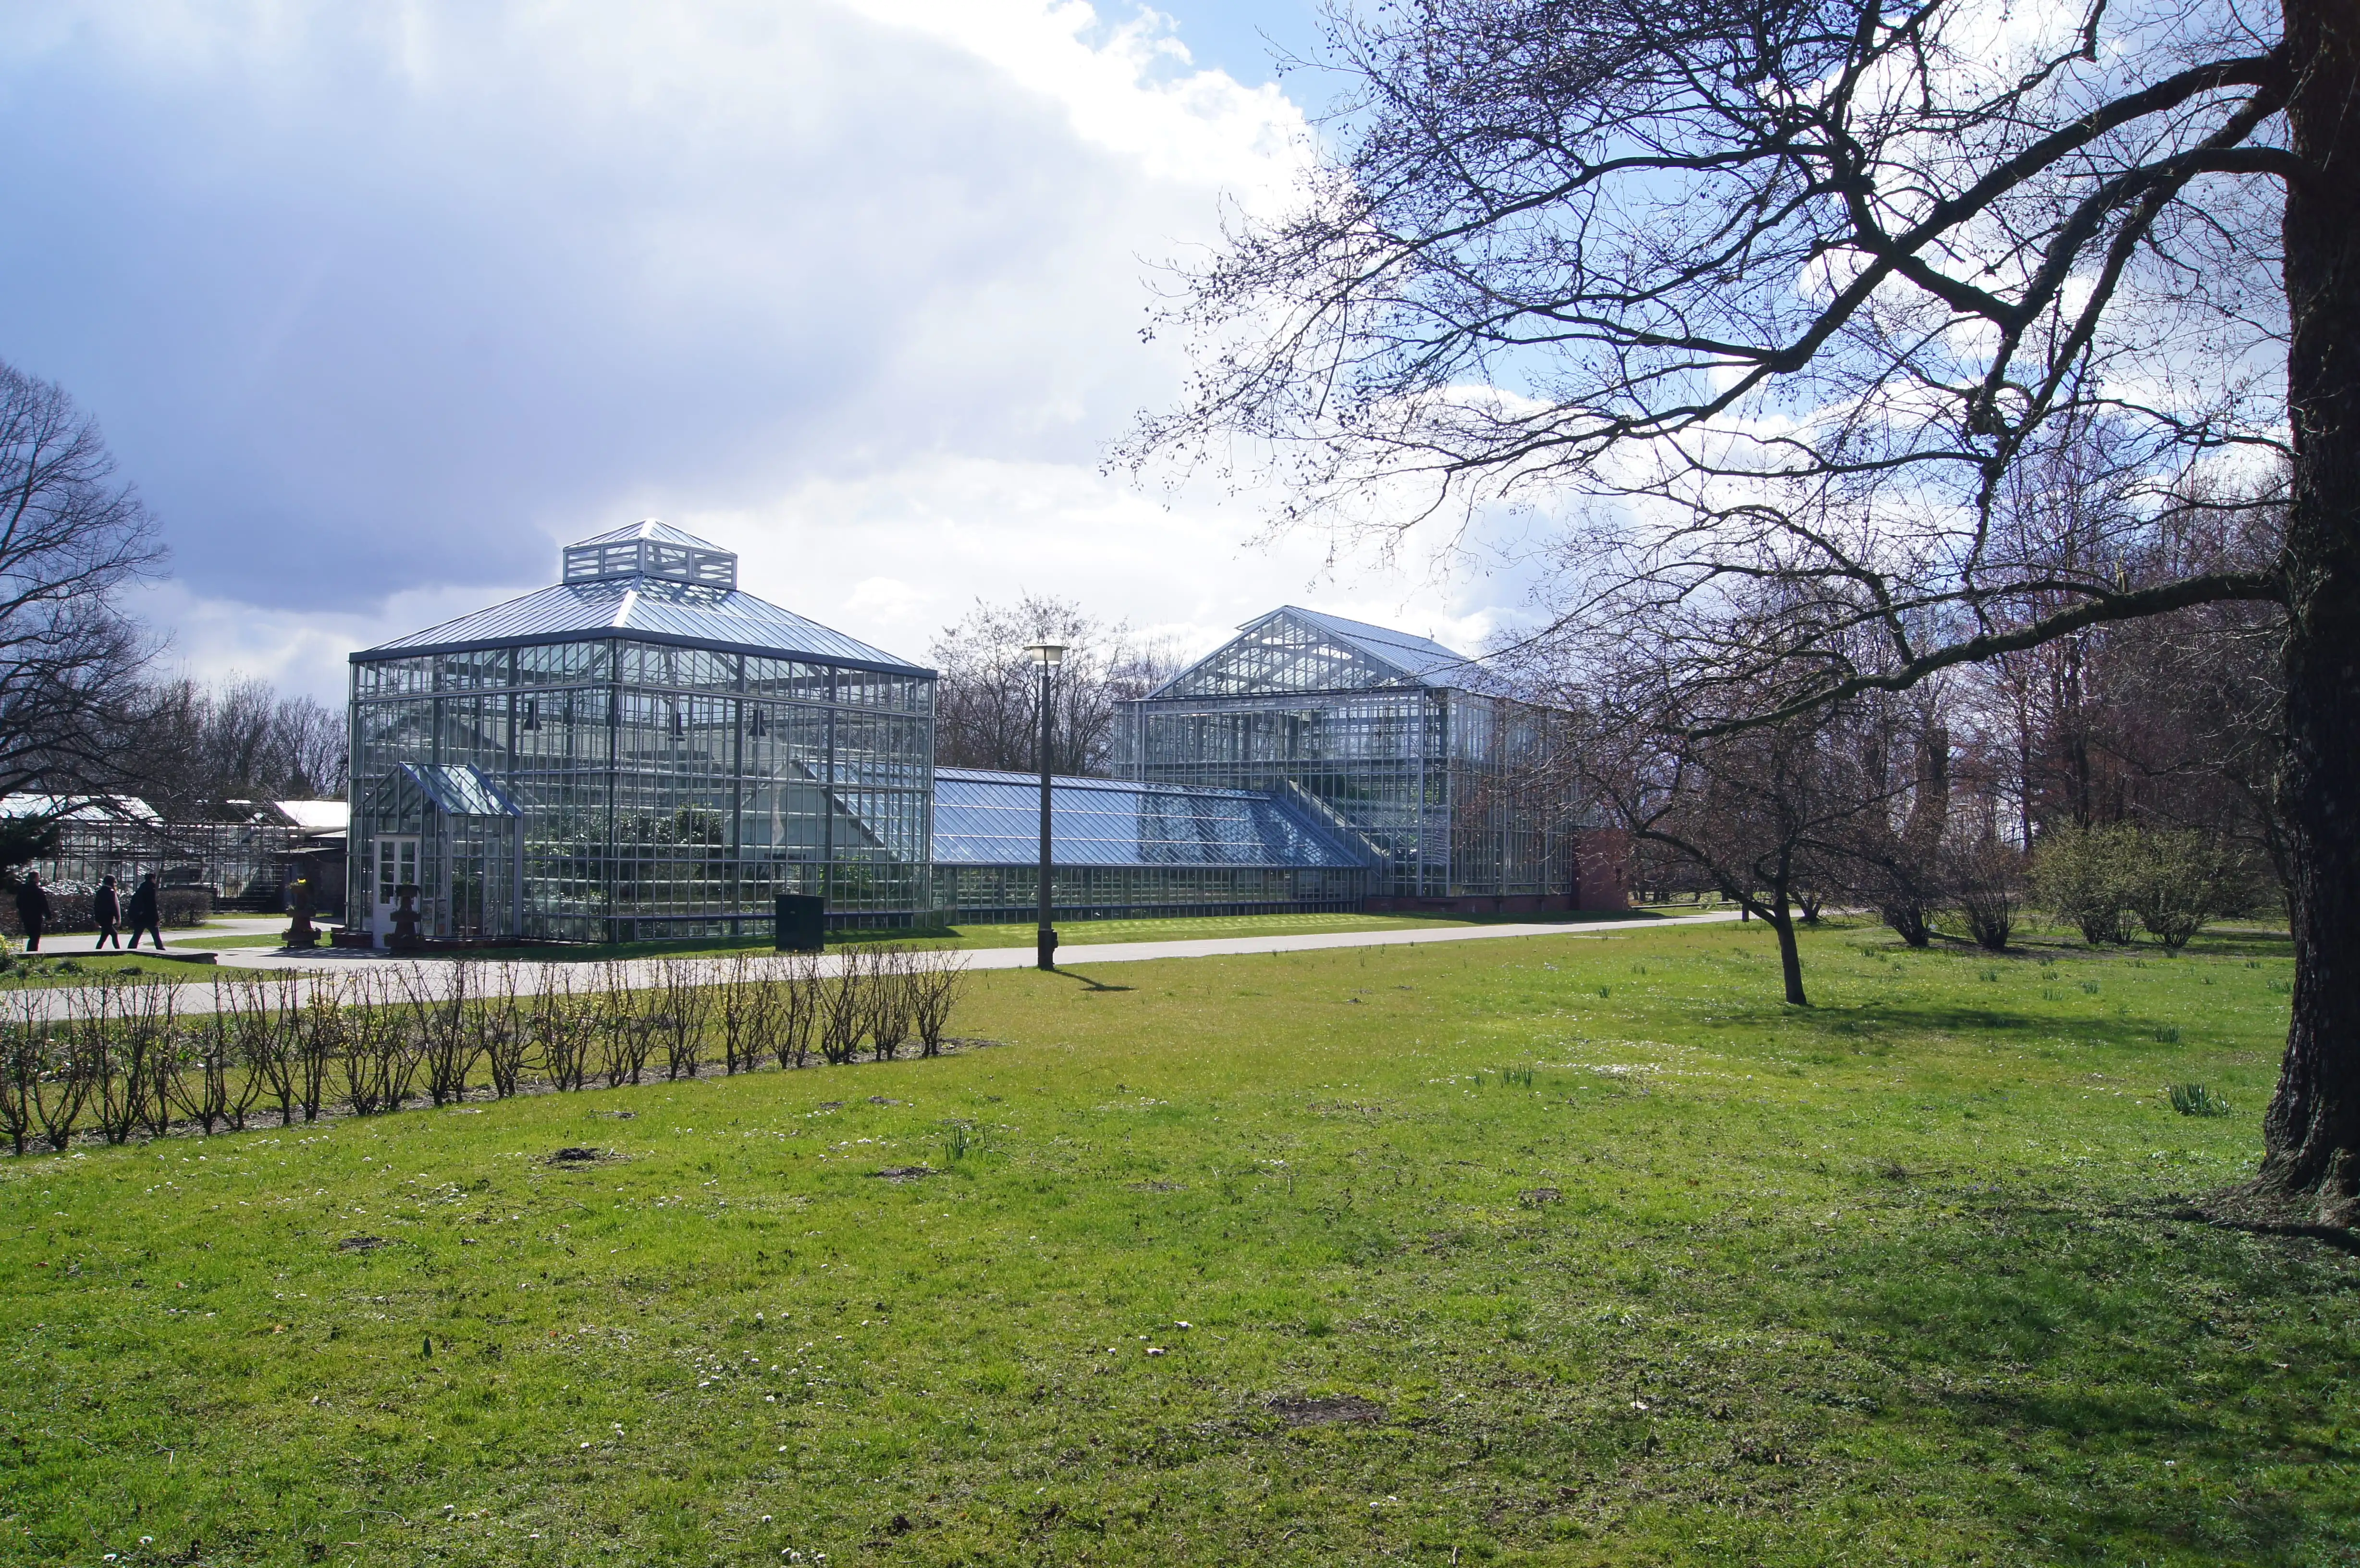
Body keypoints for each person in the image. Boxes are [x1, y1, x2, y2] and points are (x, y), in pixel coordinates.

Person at [13, 870, 50, 953]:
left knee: (31, 934)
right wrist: (48, 915)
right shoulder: (37, 890)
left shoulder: (23, 890)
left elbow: (18, 903)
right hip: (36, 915)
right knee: (36, 935)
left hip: (25, 915)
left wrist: (22, 911)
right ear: (35, 878)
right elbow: (43, 903)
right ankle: (32, 952)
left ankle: (31, 951)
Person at [125, 872, 163, 950]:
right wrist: (157, 919)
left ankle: (131, 948)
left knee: (137, 934)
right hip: (149, 916)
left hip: (141, 916)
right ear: (153, 879)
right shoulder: (151, 888)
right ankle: (160, 948)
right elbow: (152, 904)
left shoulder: (141, 888)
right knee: (156, 934)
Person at [93, 874, 122, 950]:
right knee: (114, 934)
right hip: (109, 917)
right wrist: (118, 918)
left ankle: (98, 950)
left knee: (104, 936)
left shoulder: (99, 892)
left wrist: (96, 919)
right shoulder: (111, 892)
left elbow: (96, 906)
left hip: (101, 917)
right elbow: (114, 906)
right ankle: (118, 951)